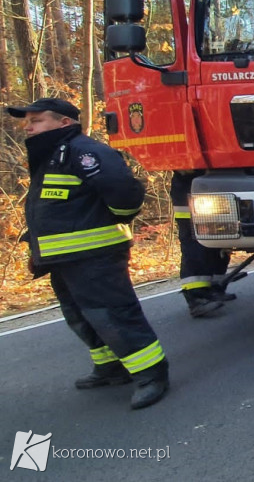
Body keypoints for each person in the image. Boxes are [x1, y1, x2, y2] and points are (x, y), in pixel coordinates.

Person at [9, 98, 169, 409]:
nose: (28, 126)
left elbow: (125, 194)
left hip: (95, 257)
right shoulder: (51, 156)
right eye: (27, 121)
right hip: (64, 259)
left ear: (63, 123)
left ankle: (152, 375)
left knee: (114, 315)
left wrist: (112, 222)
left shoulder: (85, 152)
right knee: (81, 316)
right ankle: (110, 368)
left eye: (37, 120)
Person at [171, 171, 236, 318]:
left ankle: (215, 287)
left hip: (213, 182)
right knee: (194, 241)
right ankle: (196, 296)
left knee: (220, 238)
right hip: (189, 187)